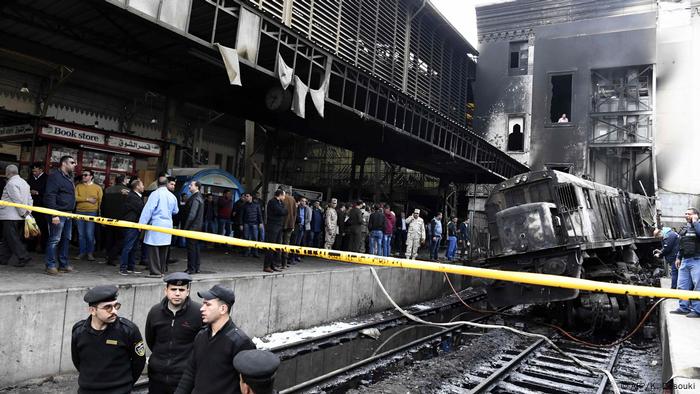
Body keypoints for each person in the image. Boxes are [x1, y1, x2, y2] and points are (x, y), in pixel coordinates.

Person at [174, 285, 256, 394]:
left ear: (223, 309)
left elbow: (249, 385)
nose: (202, 308)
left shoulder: (240, 342)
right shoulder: (201, 335)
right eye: (203, 303)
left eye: (208, 304)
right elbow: (190, 372)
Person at [71, 285, 146, 393]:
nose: (114, 311)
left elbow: (139, 362)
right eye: (108, 307)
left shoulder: (128, 330)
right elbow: (77, 360)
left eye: (116, 306)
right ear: (92, 310)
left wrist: (124, 385)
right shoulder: (79, 331)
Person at [145, 273, 203, 394]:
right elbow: (150, 339)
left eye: (181, 289)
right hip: (157, 378)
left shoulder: (198, 313)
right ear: (166, 290)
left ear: (188, 291)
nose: (177, 293)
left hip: (184, 379)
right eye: (173, 289)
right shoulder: (155, 312)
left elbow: (202, 345)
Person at [139, 176, 179, 277]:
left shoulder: (155, 194)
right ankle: (161, 271)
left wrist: (141, 224)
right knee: (163, 249)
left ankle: (155, 272)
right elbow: (176, 211)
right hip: (168, 224)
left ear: (157, 183)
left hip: (156, 224)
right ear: (166, 184)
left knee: (153, 249)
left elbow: (148, 210)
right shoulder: (172, 196)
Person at [44, 155, 77, 275]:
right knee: (54, 240)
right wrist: (54, 214)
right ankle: (50, 265)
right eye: (72, 162)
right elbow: (50, 196)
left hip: (68, 214)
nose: (75, 165)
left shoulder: (69, 177)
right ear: (64, 163)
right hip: (58, 213)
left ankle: (63, 264)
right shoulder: (55, 177)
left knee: (66, 240)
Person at [0, 164, 33, 267]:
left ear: (8, 173)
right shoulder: (25, 183)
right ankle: (2, 259)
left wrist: (24, 213)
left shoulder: (11, 183)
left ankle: (23, 256)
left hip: (10, 215)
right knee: (7, 238)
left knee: (12, 238)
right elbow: (30, 199)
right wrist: (27, 213)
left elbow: (16, 200)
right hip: (20, 216)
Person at [671, 208, 700, 318]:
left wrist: (696, 222)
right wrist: (679, 257)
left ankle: (697, 310)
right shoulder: (685, 228)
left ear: (696, 215)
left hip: (697, 260)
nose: (686, 215)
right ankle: (683, 308)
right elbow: (681, 244)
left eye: (689, 214)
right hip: (685, 260)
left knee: (698, 286)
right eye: (685, 214)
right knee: (682, 285)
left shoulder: (698, 225)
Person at [74, 169, 103, 261]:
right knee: (81, 234)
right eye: (83, 175)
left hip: (92, 212)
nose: (83, 176)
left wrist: (100, 214)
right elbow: (75, 198)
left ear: (91, 176)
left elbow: (100, 201)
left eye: (86, 175)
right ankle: (82, 252)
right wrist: (87, 199)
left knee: (89, 234)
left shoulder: (97, 188)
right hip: (79, 211)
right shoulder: (78, 186)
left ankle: (90, 253)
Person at [101, 174, 129, 266]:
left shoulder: (108, 190)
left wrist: (103, 218)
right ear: (124, 181)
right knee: (120, 239)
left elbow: (103, 205)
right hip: (121, 219)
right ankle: (112, 256)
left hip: (108, 218)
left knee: (109, 238)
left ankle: (108, 255)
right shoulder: (127, 191)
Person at [120, 179, 145, 275]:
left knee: (134, 247)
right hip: (131, 224)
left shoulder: (133, 195)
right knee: (128, 246)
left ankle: (131, 267)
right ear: (137, 187)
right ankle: (123, 267)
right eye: (142, 185)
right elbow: (141, 210)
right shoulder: (134, 197)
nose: (143, 187)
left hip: (134, 224)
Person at [183, 181, 204, 274]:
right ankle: (196, 267)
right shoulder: (199, 197)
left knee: (191, 248)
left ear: (197, 187)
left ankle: (191, 268)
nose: (189, 186)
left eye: (191, 185)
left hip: (192, 227)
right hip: (197, 227)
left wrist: (186, 227)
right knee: (195, 248)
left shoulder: (195, 198)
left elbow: (192, 214)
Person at [264, 189, 288, 273]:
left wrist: (284, 210)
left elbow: (285, 210)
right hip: (272, 226)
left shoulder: (280, 203)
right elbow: (281, 211)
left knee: (276, 247)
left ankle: (273, 265)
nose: (284, 198)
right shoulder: (272, 202)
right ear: (280, 195)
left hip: (279, 227)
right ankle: (267, 266)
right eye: (284, 195)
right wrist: (284, 210)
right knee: (270, 247)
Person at [27, 162, 47, 253]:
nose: (33, 173)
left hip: (43, 206)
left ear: (41, 169)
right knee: (31, 225)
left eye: (35, 171)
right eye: (33, 171)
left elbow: (49, 192)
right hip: (32, 206)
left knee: (43, 228)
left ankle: (43, 247)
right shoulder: (30, 178)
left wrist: (38, 193)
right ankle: (31, 246)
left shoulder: (47, 178)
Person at [241, 193, 264, 258]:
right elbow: (241, 215)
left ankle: (255, 252)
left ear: (251, 197)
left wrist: (260, 223)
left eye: (247, 196)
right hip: (246, 223)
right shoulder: (244, 205)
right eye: (245, 196)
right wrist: (241, 224)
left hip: (254, 223)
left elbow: (259, 214)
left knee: (255, 238)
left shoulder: (256, 205)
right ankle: (246, 252)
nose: (246, 197)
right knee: (246, 238)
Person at [281, 192, 297, 265]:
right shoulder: (292, 199)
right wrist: (293, 224)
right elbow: (294, 214)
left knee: (279, 243)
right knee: (286, 243)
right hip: (290, 224)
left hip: (281, 224)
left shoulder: (282, 199)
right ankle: (284, 262)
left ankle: (278, 261)